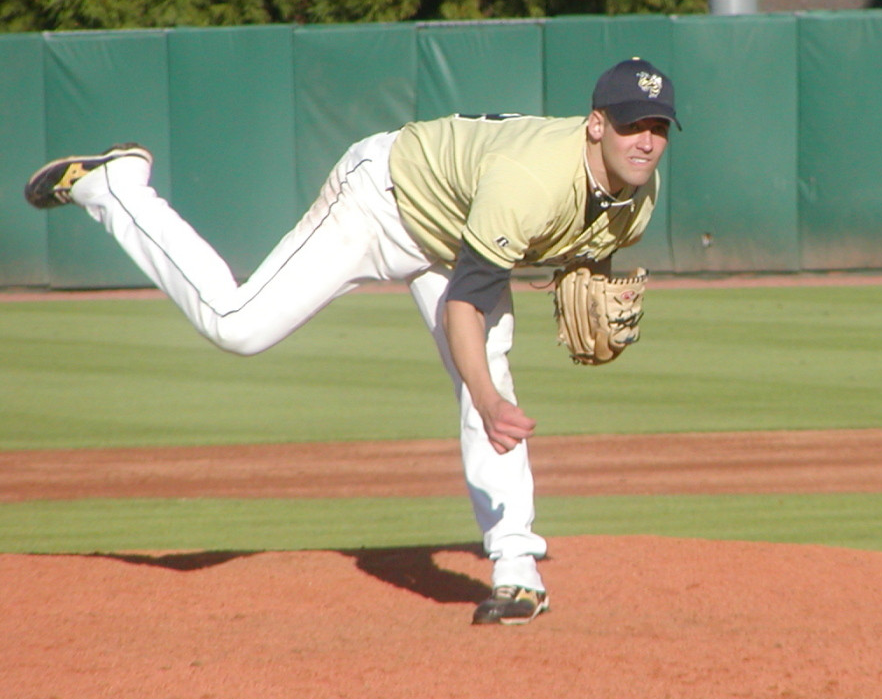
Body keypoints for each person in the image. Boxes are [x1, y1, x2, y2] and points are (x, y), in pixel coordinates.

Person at [23, 57, 679, 625]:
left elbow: (584, 253)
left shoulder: (638, 199)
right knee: (239, 326)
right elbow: (464, 305)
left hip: (455, 230)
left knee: (496, 376)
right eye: (630, 124)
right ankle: (117, 189)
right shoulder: (530, 182)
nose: (645, 141)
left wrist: (592, 284)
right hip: (383, 200)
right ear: (596, 123)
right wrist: (481, 396)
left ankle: (518, 571)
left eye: (656, 128)